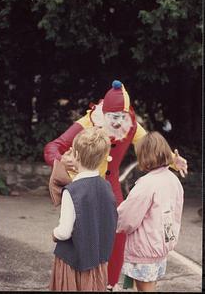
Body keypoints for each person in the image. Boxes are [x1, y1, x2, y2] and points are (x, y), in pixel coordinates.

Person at [44, 80, 188, 290]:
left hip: (109, 187)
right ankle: (79, 280)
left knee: (118, 233)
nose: (119, 122)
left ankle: (109, 284)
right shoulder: (88, 122)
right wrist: (60, 159)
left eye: (123, 116)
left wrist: (173, 162)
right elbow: (52, 146)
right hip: (83, 186)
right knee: (80, 232)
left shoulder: (130, 125)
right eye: (114, 117)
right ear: (105, 114)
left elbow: (151, 147)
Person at [49, 127, 118, 291]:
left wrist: (54, 233)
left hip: (72, 263)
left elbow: (64, 231)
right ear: (102, 159)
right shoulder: (107, 187)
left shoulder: (72, 191)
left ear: (77, 156)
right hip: (97, 262)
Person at [117, 131, 184, 292]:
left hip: (144, 250)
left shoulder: (146, 184)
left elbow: (128, 218)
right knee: (149, 285)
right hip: (161, 246)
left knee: (144, 288)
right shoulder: (172, 180)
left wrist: (117, 223)